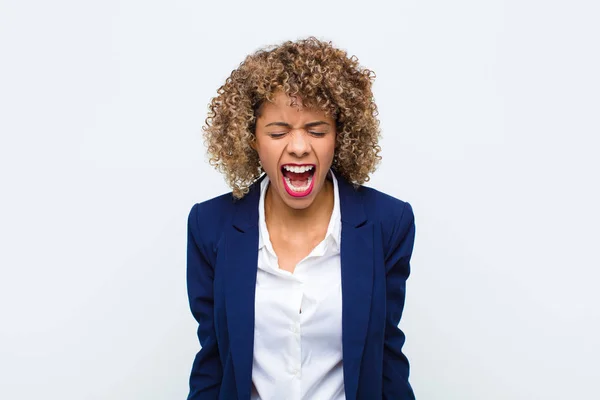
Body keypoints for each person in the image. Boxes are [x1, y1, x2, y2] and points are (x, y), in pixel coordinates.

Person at [186, 37, 417, 400]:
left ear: (340, 135)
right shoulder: (210, 225)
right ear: (251, 138)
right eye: (278, 131)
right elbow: (213, 364)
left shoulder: (387, 223)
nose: (297, 146)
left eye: (317, 129)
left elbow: (386, 360)